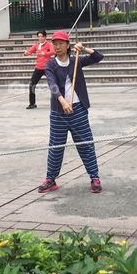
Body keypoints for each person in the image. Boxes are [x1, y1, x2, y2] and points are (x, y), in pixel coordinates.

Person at [38, 30, 105, 194]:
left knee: (86, 144)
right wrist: (62, 101)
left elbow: (98, 57)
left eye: (61, 43)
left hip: (78, 110)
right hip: (58, 113)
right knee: (56, 146)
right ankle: (50, 179)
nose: (57, 46)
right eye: (55, 44)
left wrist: (84, 48)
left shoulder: (76, 61)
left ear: (68, 45)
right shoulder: (50, 64)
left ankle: (95, 178)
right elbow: (52, 85)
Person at [24, 30, 55, 109]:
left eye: (42, 36)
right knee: (32, 85)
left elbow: (53, 52)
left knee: (53, 85)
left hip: (47, 68)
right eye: (39, 36)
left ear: (45, 37)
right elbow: (30, 51)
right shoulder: (37, 45)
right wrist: (26, 53)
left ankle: (57, 102)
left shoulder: (49, 44)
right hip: (38, 68)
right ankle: (32, 104)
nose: (40, 38)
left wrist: (45, 54)